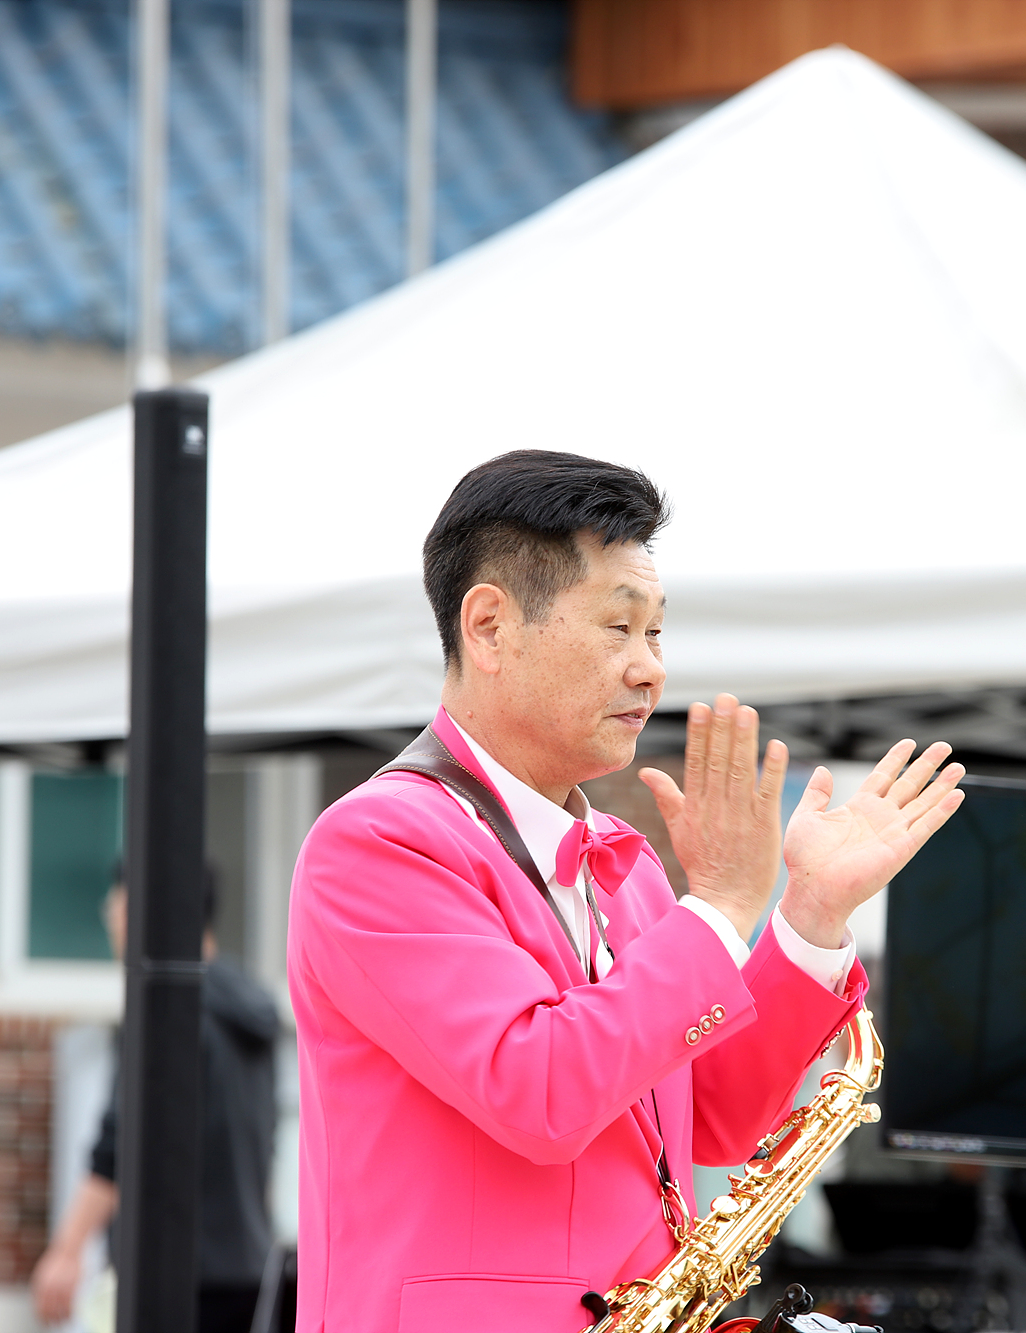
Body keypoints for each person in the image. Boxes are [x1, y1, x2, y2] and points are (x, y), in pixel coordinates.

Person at [288, 451, 965, 1333]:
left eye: (657, 633)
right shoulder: (377, 842)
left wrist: (809, 914)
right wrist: (719, 906)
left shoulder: (623, 864)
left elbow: (711, 1117)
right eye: (619, 627)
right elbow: (539, 1088)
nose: (650, 670)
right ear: (489, 627)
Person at [32, 868, 280, 1333]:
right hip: (247, 1269)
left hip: (172, 1275)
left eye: (115, 907)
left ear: (142, 910)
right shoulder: (251, 1012)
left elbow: (122, 1144)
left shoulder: (165, 1007)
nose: (111, 921)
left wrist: (66, 1252)